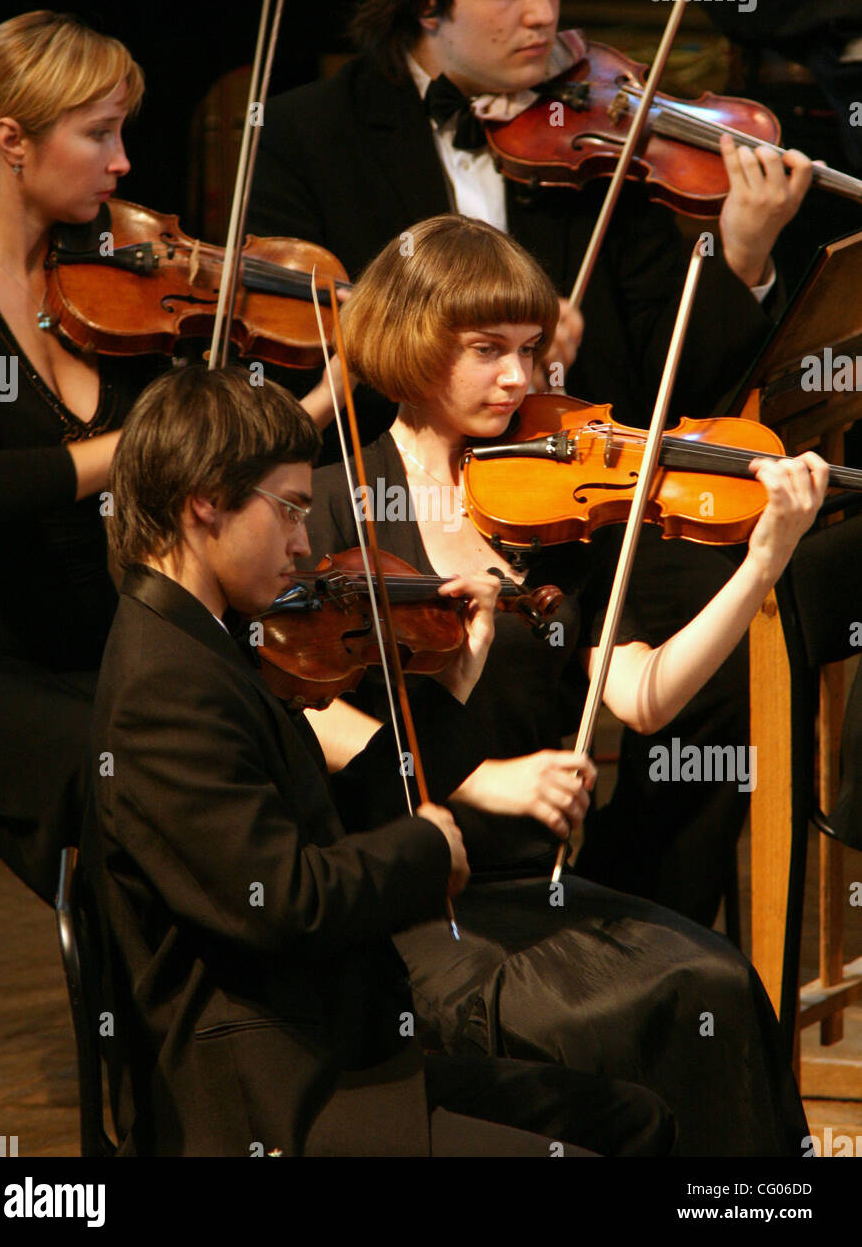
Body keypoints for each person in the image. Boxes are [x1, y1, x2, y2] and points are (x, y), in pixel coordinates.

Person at [247, 0, 816, 924]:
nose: (545, 13)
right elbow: (289, 357)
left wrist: (737, 258)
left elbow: (668, 386)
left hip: (574, 500)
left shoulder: (601, 134)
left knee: (729, 678)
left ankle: (639, 923)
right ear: (425, 3)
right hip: (392, 511)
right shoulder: (310, 134)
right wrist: (458, 344)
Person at [300, 213, 824, 1156]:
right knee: (574, 1026)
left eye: (533, 351)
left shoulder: (549, 502)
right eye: (488, 351)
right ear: (414, 343)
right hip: (404, 896)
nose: (522, 379)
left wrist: (763, 563)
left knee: (715, 982)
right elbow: (294, 710)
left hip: (533, 883)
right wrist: (467, 779)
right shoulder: (334, 495)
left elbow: (648, 695)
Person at [90, 362, 677, 1157]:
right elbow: (288, 902)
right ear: (206, 501)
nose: (305, 543)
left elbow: (338, 816)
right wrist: (430, 847)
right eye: (290, 510)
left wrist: (454, 697)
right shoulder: (166, 686)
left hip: (332, 1050)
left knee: (636, 1120)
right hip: (275, 1097)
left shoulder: (212, 642)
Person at [0, 11, 162, 902]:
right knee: (128, 786)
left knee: (244, 745)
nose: (122, 164)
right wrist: (137, 448)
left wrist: (320, 396)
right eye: (99, 133)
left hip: (113, 645)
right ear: (11, 139)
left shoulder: (106, 275)